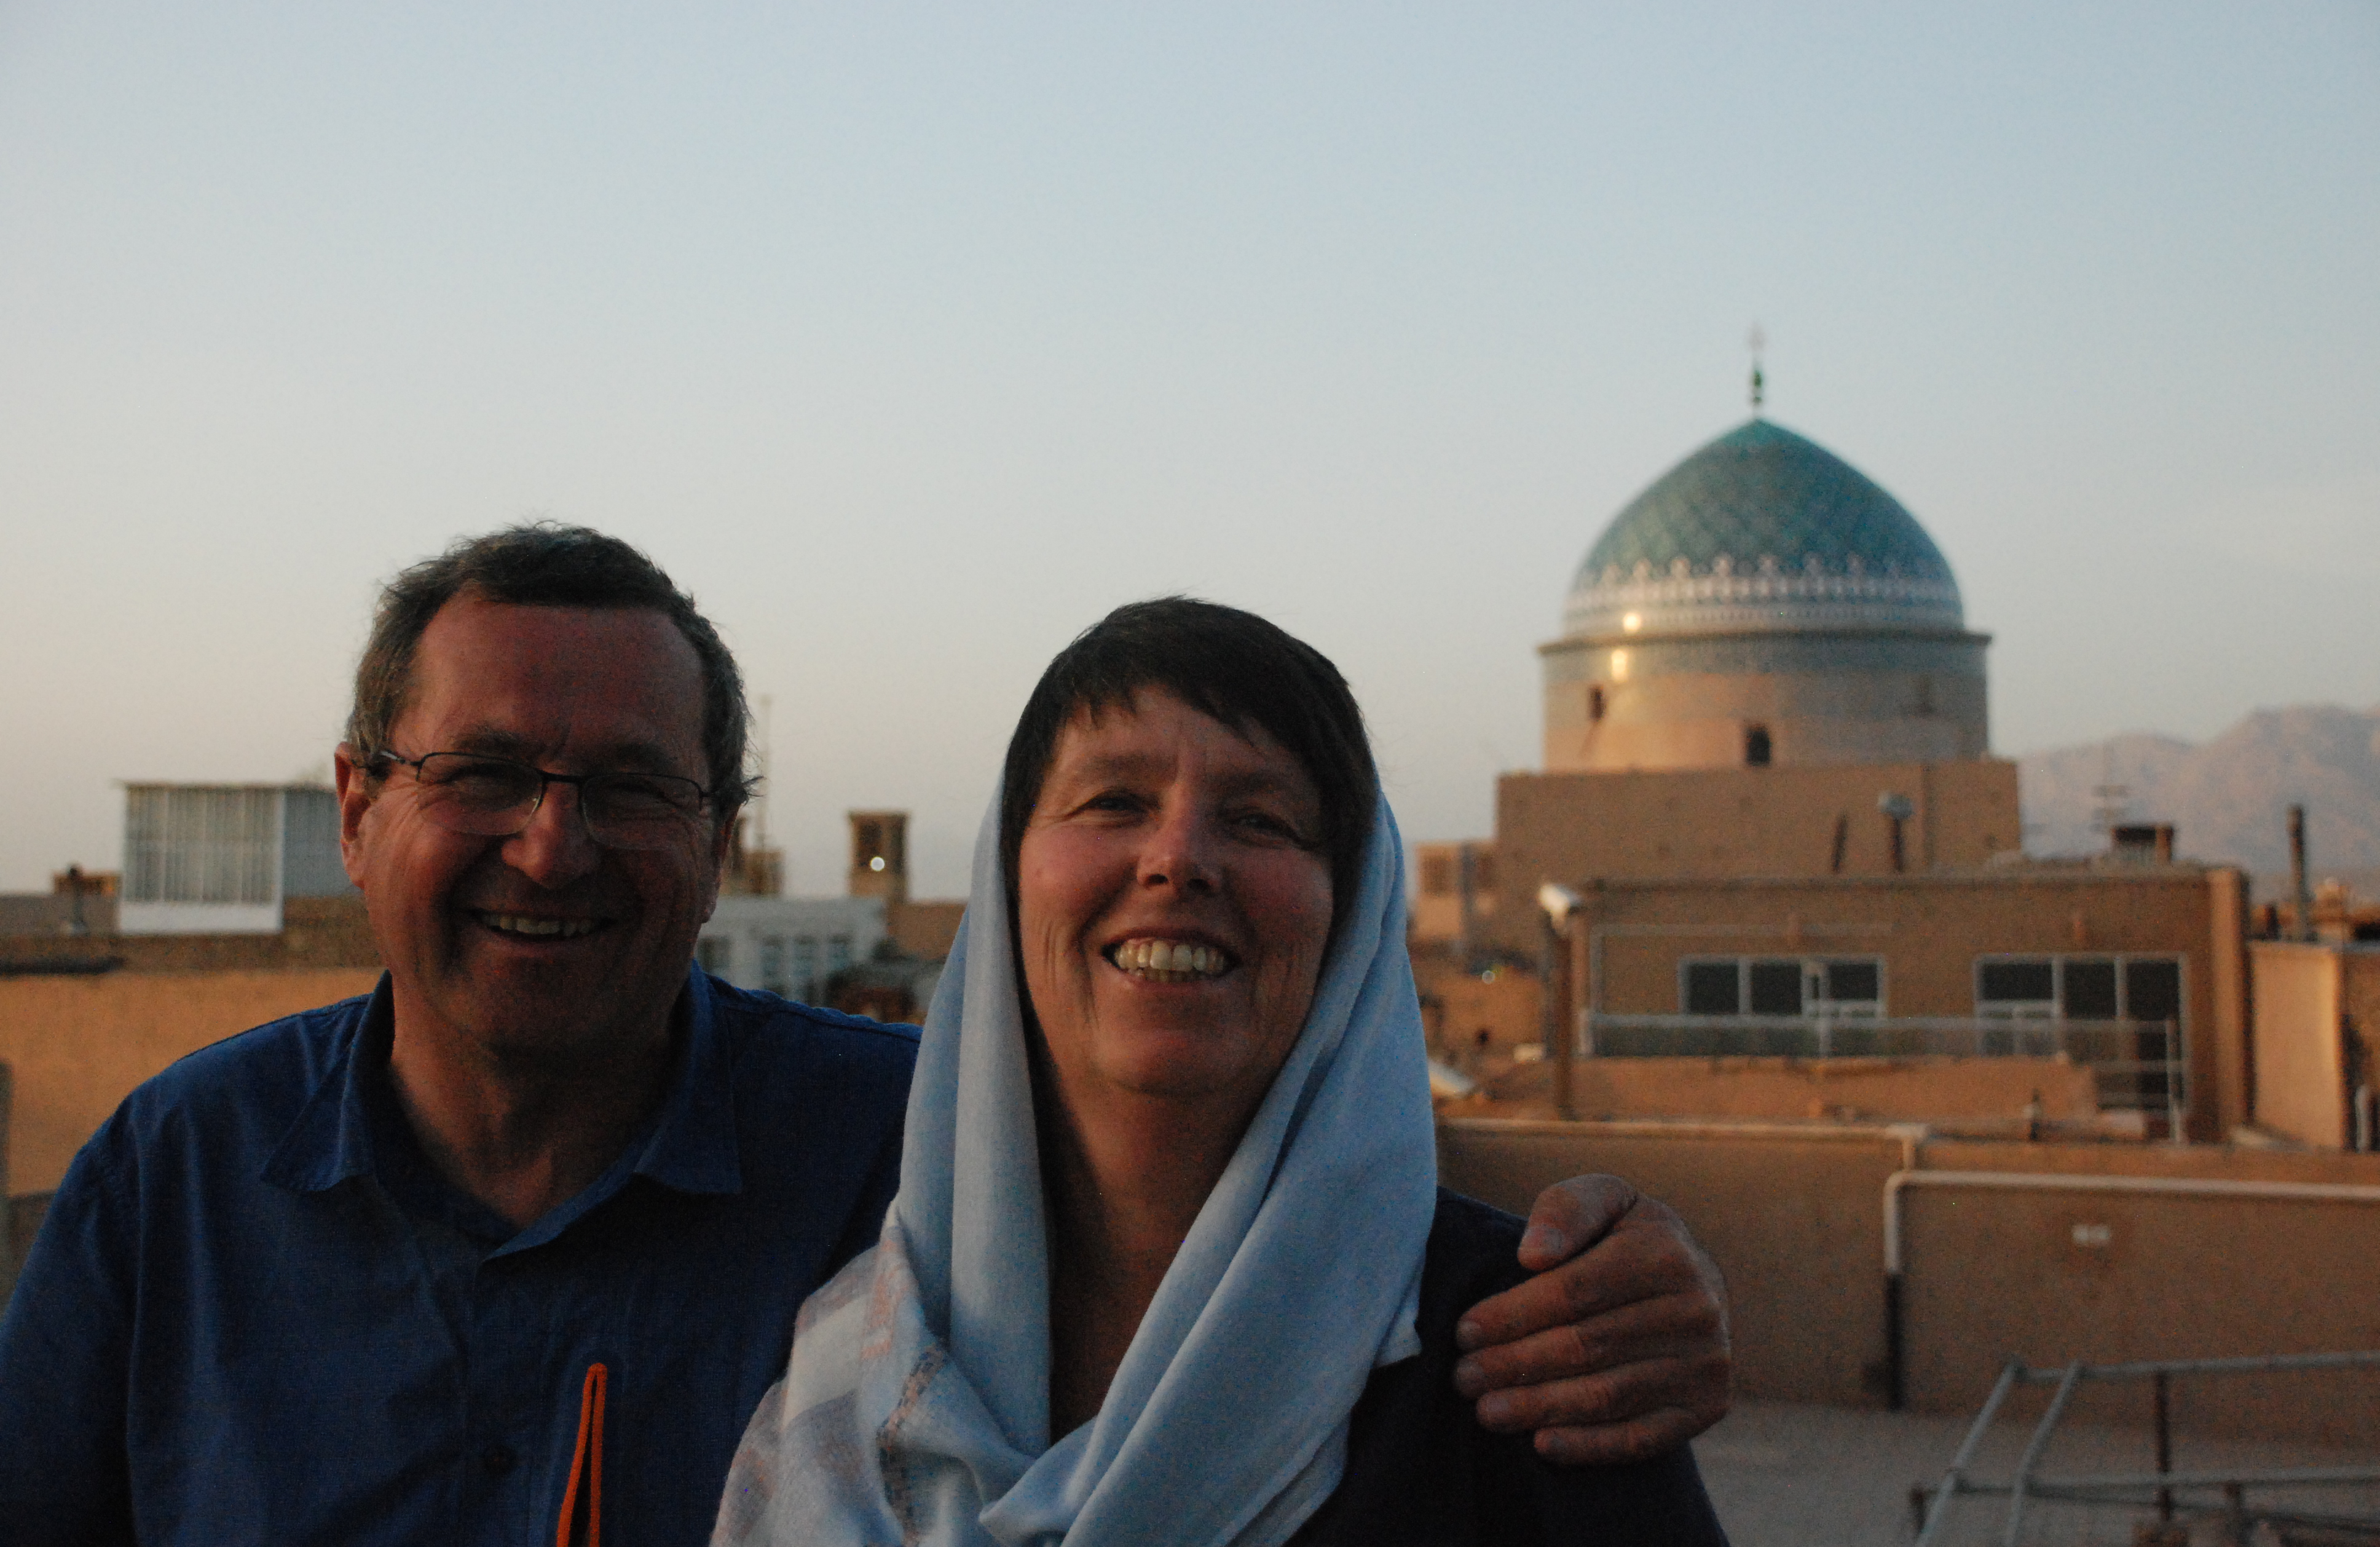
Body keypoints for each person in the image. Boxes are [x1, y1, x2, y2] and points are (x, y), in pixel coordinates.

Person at [0, 527, 1726, 1547]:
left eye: (631, 788)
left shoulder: (908, 1158)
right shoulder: (178, 1182)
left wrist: (1637, 1282)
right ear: (357, 806)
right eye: (487, 775)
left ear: (724, 843)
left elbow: (1209, 1173)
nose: (553, 844)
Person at [714, 598, 1729, 1546]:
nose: (1178, 859)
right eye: (1115, 802)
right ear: (1006, 877)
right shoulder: (850, 1376)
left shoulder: (1529, 1356)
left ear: (1353, 914)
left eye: (1259, 820)